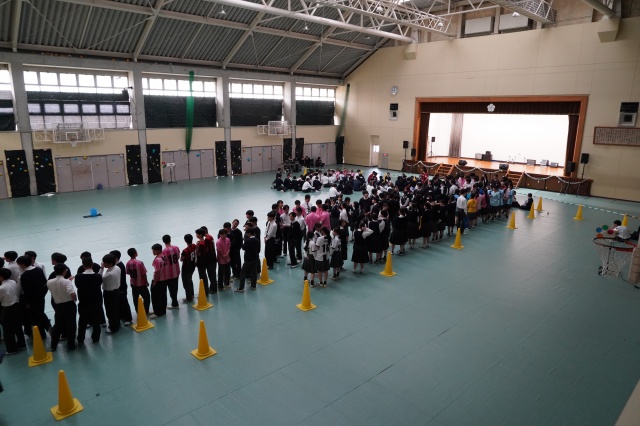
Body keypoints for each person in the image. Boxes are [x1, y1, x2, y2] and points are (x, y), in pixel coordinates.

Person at [16, 255, 48, 339]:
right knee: (40, 313)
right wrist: (43, 294)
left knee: (35, 318)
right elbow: (45, 283)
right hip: (41, 297)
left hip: (32, 300)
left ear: (22, 264)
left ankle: (40, 334)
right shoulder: (38, 270)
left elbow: (27, 291)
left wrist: (27, 302)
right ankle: (44, 331)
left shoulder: (24, 276)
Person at [47, 263, 77, 351]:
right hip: (69, 305)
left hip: (58, 306)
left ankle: (53, 346)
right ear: (65, 271)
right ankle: (71, 345)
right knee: (71, 325)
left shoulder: (49, 282)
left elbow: (58, 285)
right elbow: (72, 293)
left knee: (58, 325)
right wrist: (74, 299)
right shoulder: (67, 282)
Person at [75, 257, 103, 345]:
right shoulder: (98, 276)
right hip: (96, 303)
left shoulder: (78, 277)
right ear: (92, 264)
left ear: (83, 266)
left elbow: (77, 286)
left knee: (82, 321)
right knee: (96, 321)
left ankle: (80, 339)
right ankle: (95, 338)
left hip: (84, 303)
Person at [0, 268, 26, 355]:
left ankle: (11, 349)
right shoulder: (13, 282)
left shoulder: (2, 288)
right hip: (17, 306)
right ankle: (22, 344)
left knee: (7, 330)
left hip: (7, 309)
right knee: (18, 327)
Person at [110, 250, 133, 326]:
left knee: (124, 303)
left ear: (116, 258)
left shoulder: (120, 266)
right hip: (118, 287)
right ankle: (122, 316)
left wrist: (122, 289)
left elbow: (121, 279)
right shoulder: (116, 265)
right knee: (120, 303)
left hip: (121, 287)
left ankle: (128, 318)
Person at [126, 248, 151, 314]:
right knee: (147, 297)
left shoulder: (128, 263)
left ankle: (138, 312)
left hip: (133, 283)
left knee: (135, 298)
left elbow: (128, 272)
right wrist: (146, 282)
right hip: (141, 284)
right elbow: (143, 273)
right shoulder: (139, 263)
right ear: (135, 253)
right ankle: (145, 311)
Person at [100, 253, 121, 333]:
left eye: (104, 263)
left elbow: (98, 278)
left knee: (110, 311)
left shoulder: (109, 274)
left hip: (109, 294)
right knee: (115, 309)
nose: (103, 264)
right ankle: (117, 324)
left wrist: (101, 268)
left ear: (109, 264)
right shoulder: (117, 268)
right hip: (117, 291)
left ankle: (113, 327)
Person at [237, 228, 259, 292]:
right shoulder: (257, 240)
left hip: (248, 259)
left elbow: (243, 248)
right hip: (255, 258)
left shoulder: (247, 241)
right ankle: (253, 286)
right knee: (254, 272)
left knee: (243, 273)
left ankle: (241, 288)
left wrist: (242, 242)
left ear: (249, 234)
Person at [161, 235, 181, 309]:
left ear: (163, 241)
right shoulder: (176, 248)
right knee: (175, 287)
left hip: (169, 273)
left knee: (170, 289)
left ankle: (174, 303)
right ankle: (174, 301)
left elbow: (163, 263)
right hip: (176, 271)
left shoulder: (163, 252)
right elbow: (178, 257)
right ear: (170, 240)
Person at [150, 244, 167, 319]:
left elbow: (157, 271)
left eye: (154, 250)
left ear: (159, 250)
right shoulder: (163, 256)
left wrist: (155, 281)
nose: (153, 252)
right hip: (164, 279)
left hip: (159, 280)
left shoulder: (157, 260)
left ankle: (157, 312)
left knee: (156, 297)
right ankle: (163, 310)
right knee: (163, 295)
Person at [180, 235, 197, 302]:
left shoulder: (185, 251)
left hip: (186, 268)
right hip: (192, 266)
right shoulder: (194, 246)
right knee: (189, 280)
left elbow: (181, 259)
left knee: (186, 283)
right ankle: (191, 294)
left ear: (185, 240)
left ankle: (189, 297)